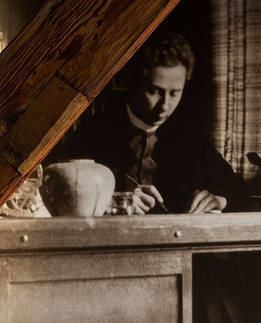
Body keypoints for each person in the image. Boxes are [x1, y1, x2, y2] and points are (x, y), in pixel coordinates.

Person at [45, 31, 249, 216]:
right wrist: (116, 203)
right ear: (133, 83)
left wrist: (219, 200)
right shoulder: (93, 131)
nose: (165, 106)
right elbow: (51, 193)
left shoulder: (189, 134)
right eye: (154, 92)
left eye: (174, 93)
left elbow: (240, 192)